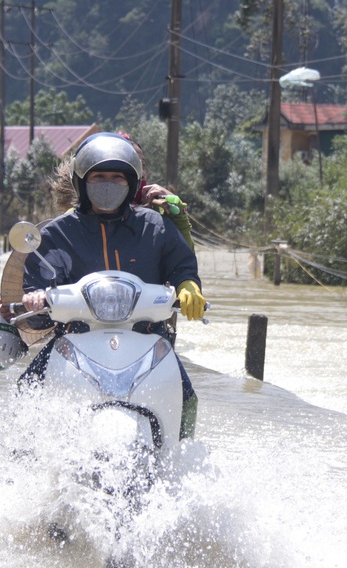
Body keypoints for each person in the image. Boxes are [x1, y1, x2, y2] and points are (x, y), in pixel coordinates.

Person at [18, 132, 206, 438]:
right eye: (99, 176)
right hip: (75, 340)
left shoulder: (155, 225)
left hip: (147, 338)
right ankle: (27, 466)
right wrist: (35, 299)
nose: (108, 184)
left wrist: (189, 287)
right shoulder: (57, 233)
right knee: (27, 388)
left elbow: (181, 265)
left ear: (131, 182)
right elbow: (37, 283)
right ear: (82, 181)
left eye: (117, 178)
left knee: (186, 396)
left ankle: (181, 461)